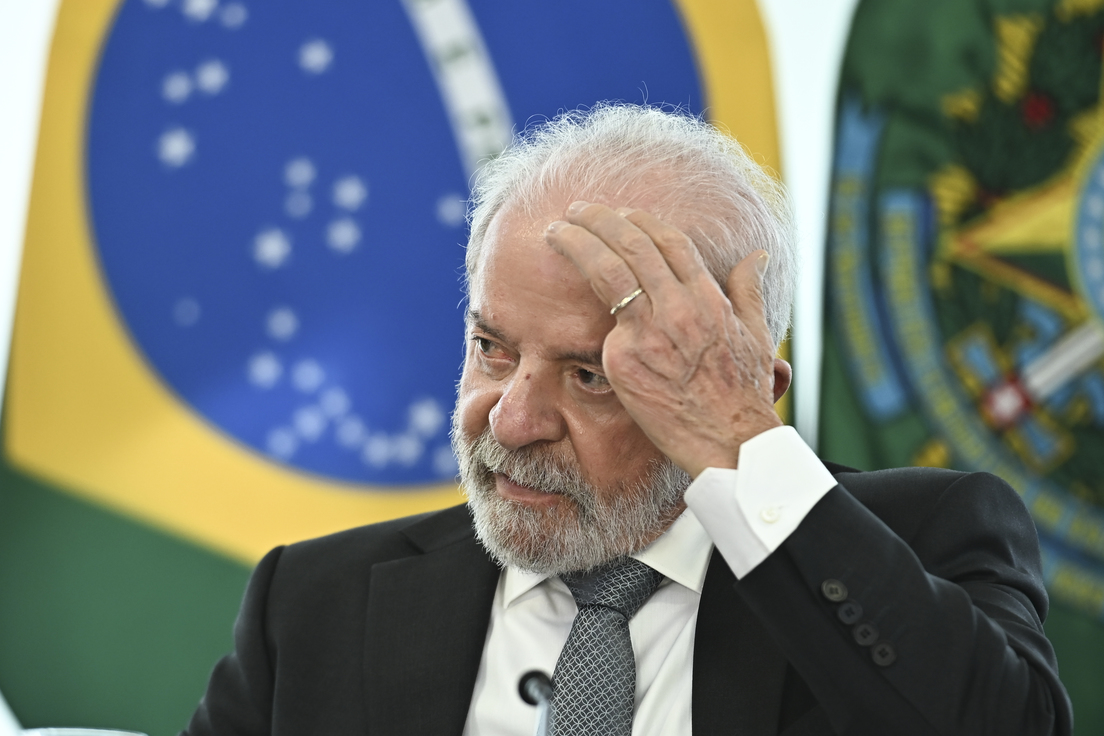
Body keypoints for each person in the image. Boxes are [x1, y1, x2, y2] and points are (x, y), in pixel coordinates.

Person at [183, 104, 1072, 736]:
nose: (513, 421)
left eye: (591, 375)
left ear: (738, 387)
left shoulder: (923, 541)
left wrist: (743, 448)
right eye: (492, 348)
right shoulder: (313, 604)